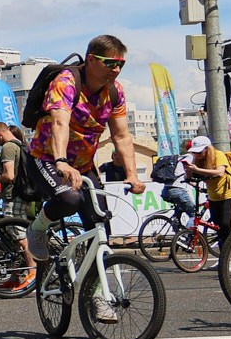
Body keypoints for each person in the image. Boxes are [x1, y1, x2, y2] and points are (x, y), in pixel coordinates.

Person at [24, 36, 146, 321]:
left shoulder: (114, 92)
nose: (116, 70)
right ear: (91, 59)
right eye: (110, 63)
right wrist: (61, 161)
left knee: (100, 224)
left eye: (121, 64)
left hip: (85, 164)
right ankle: (37, 229)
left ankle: (98, 295)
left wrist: (131, 174)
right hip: (46, 157)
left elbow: (121, 135)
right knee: (69, 198)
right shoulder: (66, 82)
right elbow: (59, 122)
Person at [183, 136, 231, 268]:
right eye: (195, 152)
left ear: (207, 149)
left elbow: (220, 172)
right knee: (219, 229)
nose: (197, 155)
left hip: (229, 195)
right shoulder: (197, 160)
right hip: (213, 197)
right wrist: (188, 171)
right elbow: (190, 178)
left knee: (227, 225)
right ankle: (224, 259)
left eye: (200, 152)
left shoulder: (218, 155)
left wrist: (197, 170)